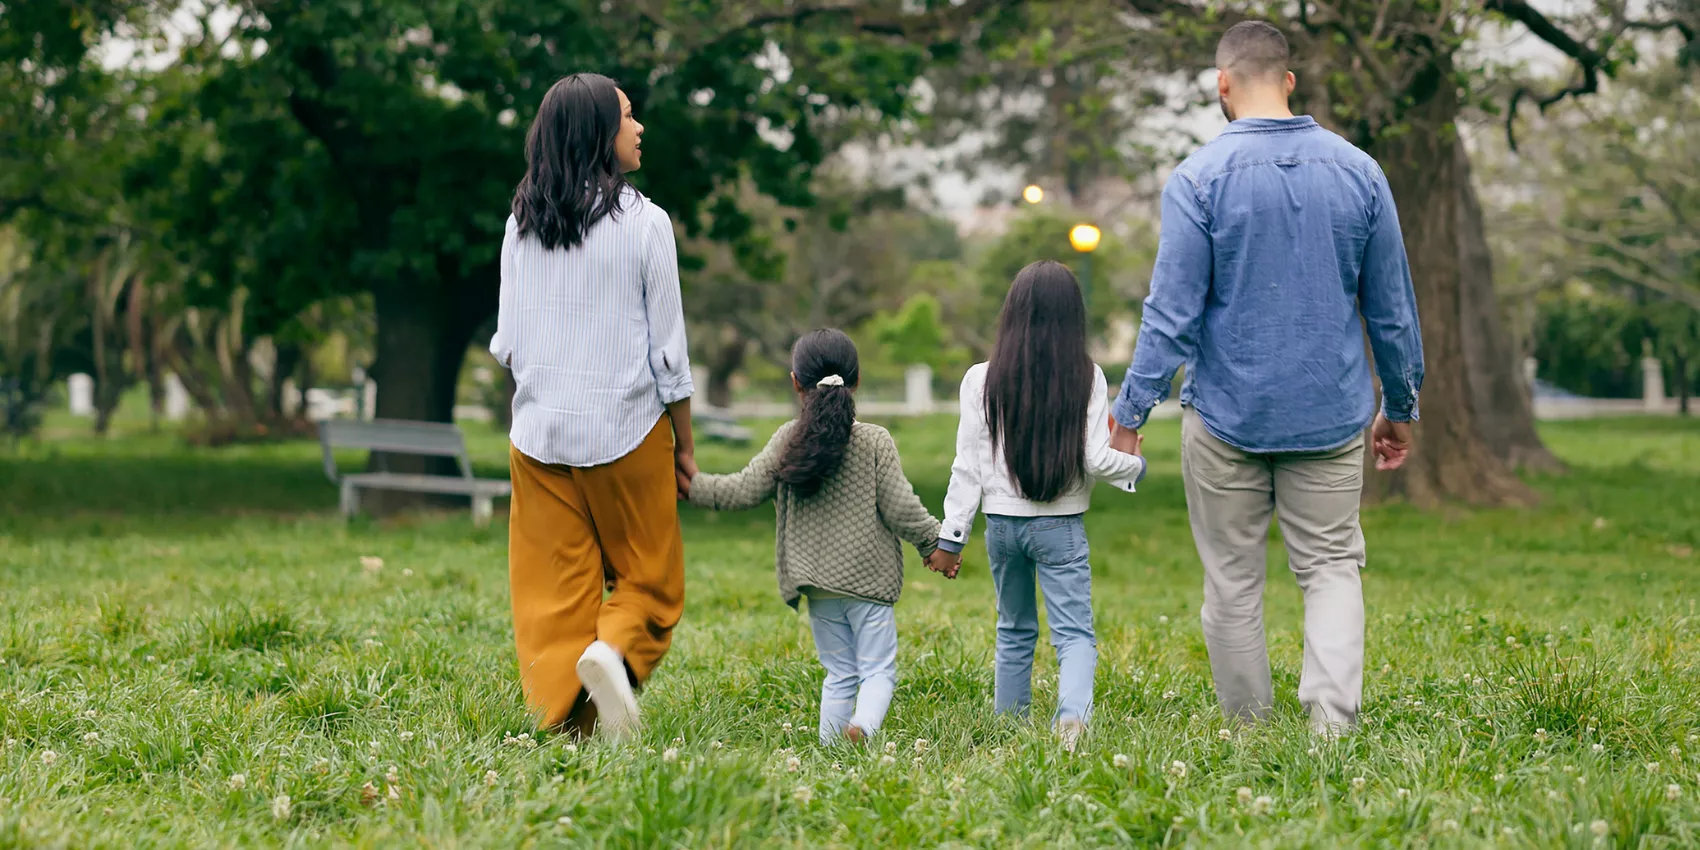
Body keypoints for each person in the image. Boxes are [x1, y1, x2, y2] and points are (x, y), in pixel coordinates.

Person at [1107, 21, 1425, 735]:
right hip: (1332, 410)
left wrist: (1129, 412)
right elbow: (1392, 309)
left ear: (1223, 85)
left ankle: (1251, 734)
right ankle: (1331, 730)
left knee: (1232, 584)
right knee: (1332, 568)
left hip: (1226, 416)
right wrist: (1398, 405)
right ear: (1288, 80)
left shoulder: (1196, 178)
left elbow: (1171, 313)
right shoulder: (1360, 171)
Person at [491, 73, 696, 741]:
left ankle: (567, 723)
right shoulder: (647, 225)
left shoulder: (520, 225)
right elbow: (670, 355)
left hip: (539, 435)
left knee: (555, 593)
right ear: (600, 135)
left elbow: (507, 344)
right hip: (626, 429)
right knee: (650, 580)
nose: (639, 129)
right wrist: (684, 444)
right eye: (628, 117)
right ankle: (612, 655)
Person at [687, 329, 948, 745]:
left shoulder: (787, 441)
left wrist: (688, 483)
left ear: (795, 382)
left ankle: (830, 750)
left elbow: (740, 491)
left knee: (839, 673)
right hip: (869, 584)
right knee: (877, 670)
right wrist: (937, 544)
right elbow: (901, 508)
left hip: (818, 585)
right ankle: (862, 727)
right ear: (857, 380)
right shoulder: (874, 441)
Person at [934, 260, 1147, 751]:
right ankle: (1072, 721)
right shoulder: (1086, 375)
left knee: (1013, 628)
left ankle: (1009, 728)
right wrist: (1134, 467)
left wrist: (951, 536)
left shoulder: (979, 379)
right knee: (1073, 634)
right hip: (1060, 526)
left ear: (1012, 312)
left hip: (1002, 526)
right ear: (1074, 316)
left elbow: (967, 465)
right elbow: (1095, 458)